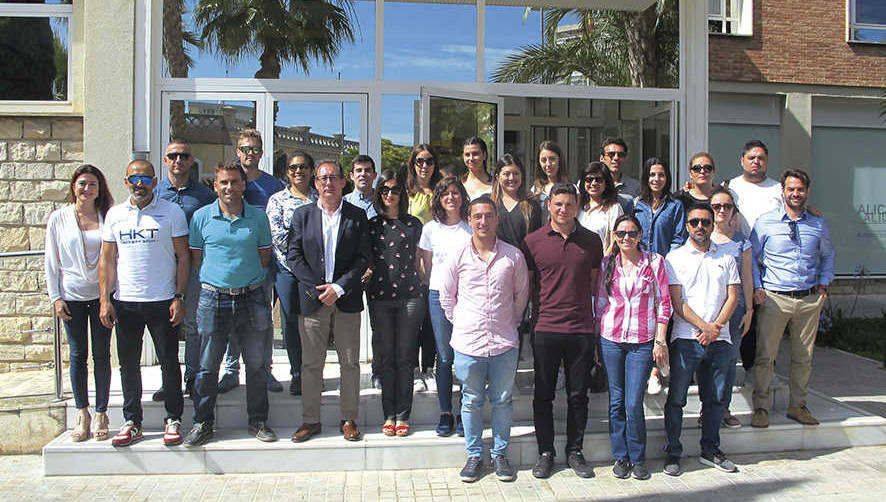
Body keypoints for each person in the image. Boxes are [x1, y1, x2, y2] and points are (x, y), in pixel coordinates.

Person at [183, 162, 277, 446]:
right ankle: (203, 423)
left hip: (252, 296)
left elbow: (263, 256)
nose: (229, 188)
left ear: (243, 185)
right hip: (213, 298)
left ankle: (258, 421)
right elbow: (197, 259)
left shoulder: (258, 218)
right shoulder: (201, 217)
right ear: (216, 185)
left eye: (235, 182)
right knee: (207, 366)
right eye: (224, 182)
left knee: (257, 364)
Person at [99, 160, 189, 447]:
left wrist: (179, 296)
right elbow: (107, 260)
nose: (140, 184)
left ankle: (173, 418)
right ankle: (132, 421)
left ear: (155, 182)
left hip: (162, 300)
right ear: (126, 182)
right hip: (126, 302)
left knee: (169, 363)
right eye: (134, 179)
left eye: (146, 179)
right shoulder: (115, 215)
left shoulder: (171, 212)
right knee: (128, 365)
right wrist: (105, 299)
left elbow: (184, 257)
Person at [440, 196, 529, 483]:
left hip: (504, 341)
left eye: (488, 216)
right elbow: (446, 298)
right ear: (469, 219)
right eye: (477, 216)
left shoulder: (513, 256)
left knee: (503, 400)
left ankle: (500, 455)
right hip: (468, 343)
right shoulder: (457, 255)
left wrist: (508, 324)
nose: (483, 221)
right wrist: (465, 323)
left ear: (497, 220)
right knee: (471, 400)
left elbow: (521, 298)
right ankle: (475, 455)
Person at [524, 183, 603, 479]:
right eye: (558, 204)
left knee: (577, 394)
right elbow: (529, 286)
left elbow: (595, 283)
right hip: (545, 328)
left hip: (581, 328)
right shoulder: (532, 242)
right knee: (543, 394)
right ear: (549, 205)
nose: (563, 210)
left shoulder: (592, 241)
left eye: (569, 204)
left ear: (577, 205)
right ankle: (545, 452)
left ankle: (575, 451)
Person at [287, 160, 369, 443]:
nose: (328, 183)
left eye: (334, 177)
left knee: (349, 363)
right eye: (323, 178)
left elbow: (363, 258)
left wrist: (339, 287)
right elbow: (293, 256)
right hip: (313, 300)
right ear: (316, 183)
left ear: (343, 182)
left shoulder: (357, 216)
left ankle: (349, 419)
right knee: (311, 365)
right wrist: (318, 288)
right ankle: (311, 420)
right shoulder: (302, 215)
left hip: (346, 299)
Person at [749, 169, 834, 429]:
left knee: (803, 357)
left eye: (800, 189)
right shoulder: (765, 222)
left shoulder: (817, 223)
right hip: (775, 298)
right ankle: (761, 408)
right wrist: (758, 286)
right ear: (783, 191)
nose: (795, 193)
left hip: (808, 299)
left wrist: (824, 283)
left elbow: (828, 255)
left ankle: (798, 406)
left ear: (806, 191)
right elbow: (752, 256)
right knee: (765, 357)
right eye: (791, 189)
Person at [663, 203, 740, 476]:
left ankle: (711, 449)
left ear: (712, 224)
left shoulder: (727, 257)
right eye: (694, 222)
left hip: (720, 339)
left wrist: (715, 328)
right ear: (686, 225)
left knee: (716, 398)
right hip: (686, 338)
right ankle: (673, 452)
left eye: (705, 222)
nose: (700, 227)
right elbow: (676, 301)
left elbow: (733, 296)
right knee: (676, 399)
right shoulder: (674, 258)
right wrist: (704, 327)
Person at [595, 215, 671, 481]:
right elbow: (600, 303)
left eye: (631, 233)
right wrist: (596, 340)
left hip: (641, 341)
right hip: (611, 338)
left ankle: (638, 457)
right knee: (616, 401)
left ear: (639, 235)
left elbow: (664, 304)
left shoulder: (654, 262)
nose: (626, 238)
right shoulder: (607, 264)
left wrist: (660, 340)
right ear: (614, 237)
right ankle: (621, 456)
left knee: (632, 402)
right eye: (621, 233)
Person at [45, 164, 114, 442]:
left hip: (101, 297)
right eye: (82, 183)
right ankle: (81, 412)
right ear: (74, 186)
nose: (87, 189)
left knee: (101, 355)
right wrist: (55, 297)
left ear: (100, 189)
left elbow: (113, 259)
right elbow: (51, 260)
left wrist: (110, 296)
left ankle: (101, 412)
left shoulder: (107, 216)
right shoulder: (59, 218)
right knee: (77, 355)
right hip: (71, 296)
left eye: (92, 184)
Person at [220, 129, 284, 393]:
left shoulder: (273, 186)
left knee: (263, 321)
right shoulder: (229, 181)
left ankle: (264, 370)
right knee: (233, 320)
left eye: (255, 149)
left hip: (263, 264)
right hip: (233, 263)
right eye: (245, 149)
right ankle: (231, 370)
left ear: (261, 153)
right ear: (238, 151)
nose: (250, 154)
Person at [153, 139, 215, 402]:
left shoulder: (205, 196)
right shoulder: (153, 194)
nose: (178, 160)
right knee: (163, 327)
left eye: (184, 156)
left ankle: (192, 377)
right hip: (160, 270)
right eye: (173, 156)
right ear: (165, 160)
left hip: (193, 270)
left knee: (193, 326)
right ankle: (169, 381)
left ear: (191, 161)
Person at [366, 169, 426, 438]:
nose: (390, 195)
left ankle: (403, 414)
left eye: (395, 190)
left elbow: (423, 262)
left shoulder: (414, 224)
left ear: (403, 194)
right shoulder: (371, 225)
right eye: (385, 190)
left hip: (410, 298)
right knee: (386, 358)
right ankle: (388, 413)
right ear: (379, 194)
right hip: (380, 299)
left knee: (405, 359)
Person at [418, 177, 472, 437]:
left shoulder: (470, 228)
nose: (451, 197)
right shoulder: (430, 229)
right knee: (444, 356)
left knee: (463, 355)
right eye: (445, 193)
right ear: (439, 198)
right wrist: (436, 285)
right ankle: (445, 413)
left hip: (467, 297)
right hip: (438, 295)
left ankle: (464, 412)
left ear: (462, 197)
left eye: (455, 193)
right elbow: (426, 265)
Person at [266, 152, 317, 396]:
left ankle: (312, 372)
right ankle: (297, 373)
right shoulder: (277, 200)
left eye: (303, 167)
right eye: (293, 167)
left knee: (314, 322)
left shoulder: (319, 197)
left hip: (316, 272)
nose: (299, 171)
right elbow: (278, 235)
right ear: (287, 172)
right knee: (290, 321)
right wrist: (304, 253)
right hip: (286, 270)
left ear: (311, 170)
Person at [633, 157, 686, 395]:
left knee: (665, 316)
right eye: (652, 174)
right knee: (644, 316)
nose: (657, 179)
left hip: (665, 269)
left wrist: (662, 263)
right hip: (639, 268)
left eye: (661, 175)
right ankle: (646, 368)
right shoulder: (636, 204)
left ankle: (657, 370)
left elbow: (678, 238)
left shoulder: (675, 206)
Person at [710, 187, 754, 428]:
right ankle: (708, 410)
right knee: (705, 362)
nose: (722, 211)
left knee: (727, 363)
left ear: (733, 211)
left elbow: (747, 277)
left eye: (727, 206)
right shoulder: (701, 237)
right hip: (706, 311)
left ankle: (723, 409)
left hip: (735, 311)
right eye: (717, 206)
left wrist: (749, 311)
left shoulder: (742, 243)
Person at [406, 145, 442, 389]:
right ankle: (413, 368)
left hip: (437, 262)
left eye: (429, 161)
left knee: (430, 319)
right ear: (413, 164)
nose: (424, 166)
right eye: (419, 161)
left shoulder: (440, 191)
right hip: (410, 263)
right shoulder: (407, 191)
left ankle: (428, 366)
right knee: (412, 319)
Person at [491, 154, 542, 250]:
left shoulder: (532, 206)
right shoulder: (488, 203)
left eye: (516, 174)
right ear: (497, 177)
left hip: (523, 262)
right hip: (494, 261)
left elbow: (537, 241)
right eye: (506, 174)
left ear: (522, 176)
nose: (511, 178)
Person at [578, 161, 624, 256]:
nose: (594, 183)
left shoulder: (614, 209)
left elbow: (614, 243)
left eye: (599, 180)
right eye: (589, 179)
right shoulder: (578, 207)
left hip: (601, 264)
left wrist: (602, 264)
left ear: (606, 183)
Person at [599, 137, 640, 213]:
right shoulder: (591, 184)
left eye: (621, 155)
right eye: (611, 154)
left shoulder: (636, 187)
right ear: (602, 158)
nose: (616, 158)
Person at [531, 140, 569, 213]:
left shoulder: (572, 189)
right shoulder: (535, 190)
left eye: (552, 159)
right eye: (543, 160)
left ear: (560, 160)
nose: (548, 164)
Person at [343, 154, 378, 219]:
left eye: (367, 170)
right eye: (359, 170)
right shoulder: (343, 202)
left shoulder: (382, 202)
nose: (363, 174)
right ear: (352, 176)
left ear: (375, 175)